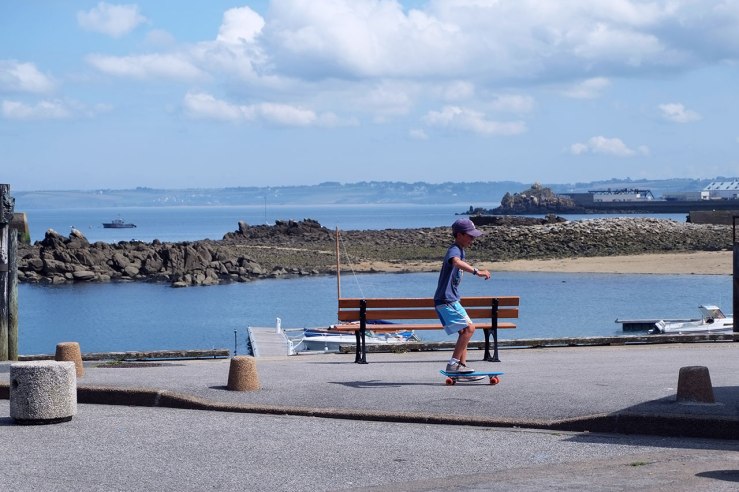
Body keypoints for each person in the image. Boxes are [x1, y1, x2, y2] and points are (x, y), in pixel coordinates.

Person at [434, 218, 491, 374]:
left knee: (464, 332)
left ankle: (461, 366)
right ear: (459, 235)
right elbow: (456, 262)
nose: (473, 239)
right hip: (446, 299)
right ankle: (453, 364)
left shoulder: (460, 250)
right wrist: (477, 272)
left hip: (450, 299)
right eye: (470, 236)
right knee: (469, 329)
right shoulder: (455, 250)